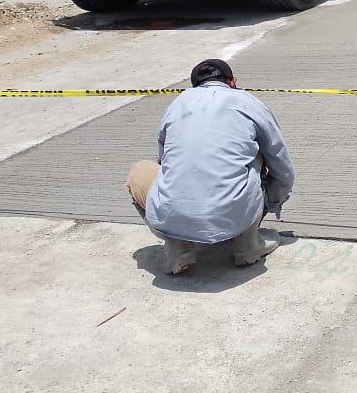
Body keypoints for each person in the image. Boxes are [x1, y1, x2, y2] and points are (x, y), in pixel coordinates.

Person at [125, 59, 295, 275]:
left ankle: (179, 250)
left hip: (171, 214)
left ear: (194, 85)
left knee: (139, 171)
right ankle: (248, 244)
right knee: (257, 155)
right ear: (233, 82)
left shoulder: (178, 103)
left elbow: (164, 160)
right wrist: (271, 203)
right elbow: (282, 168)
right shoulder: (247, 101)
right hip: (237, 214)